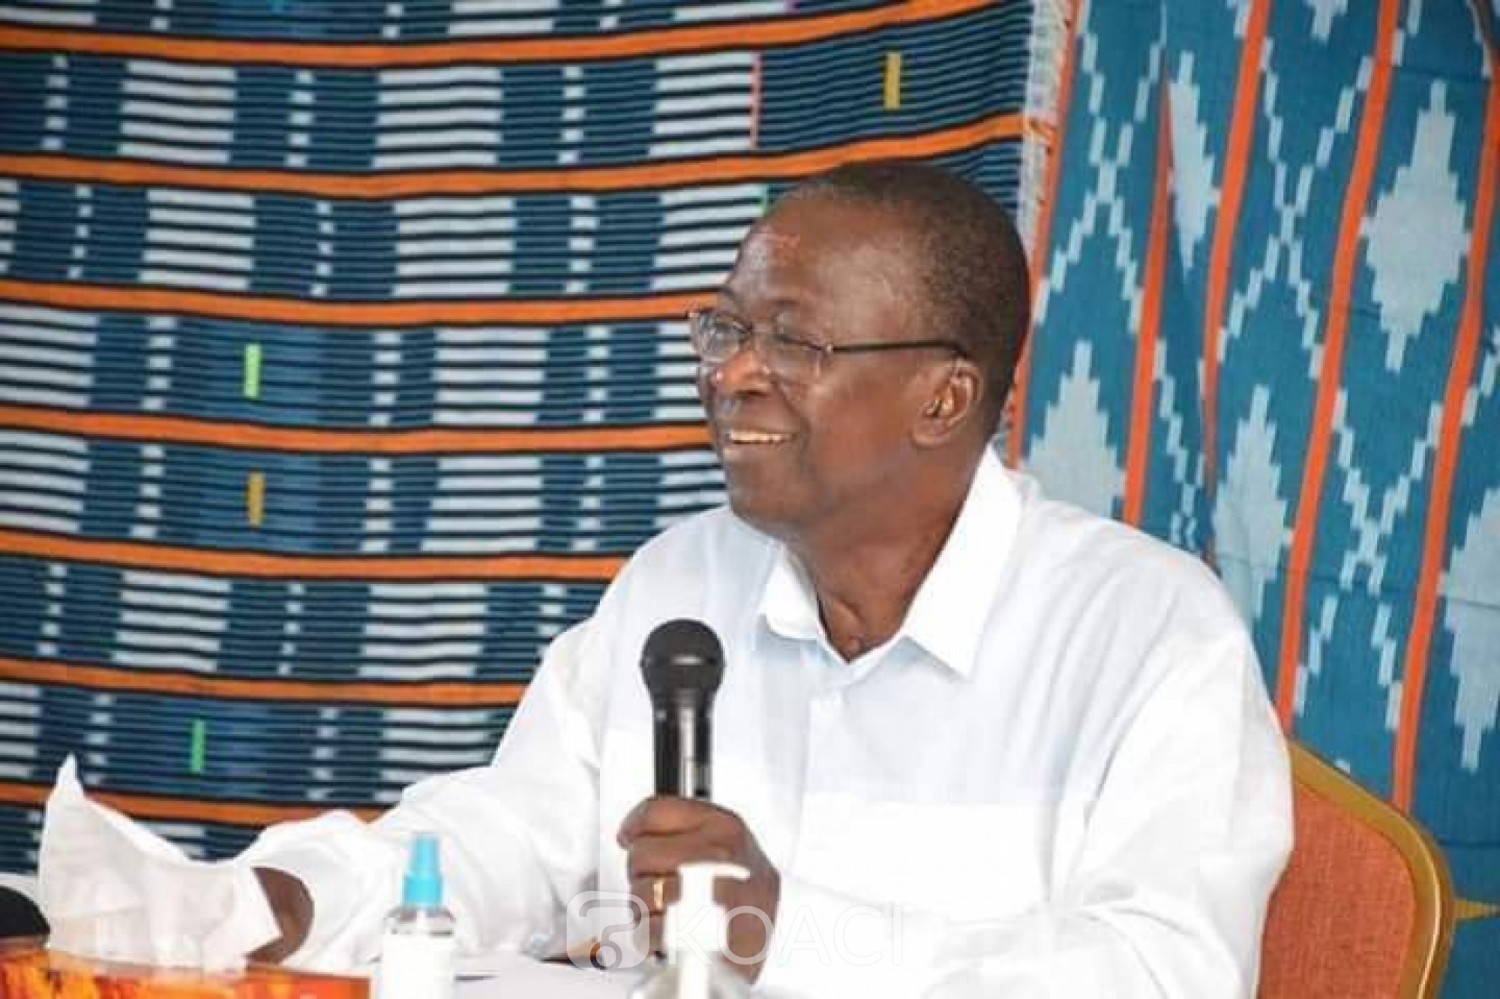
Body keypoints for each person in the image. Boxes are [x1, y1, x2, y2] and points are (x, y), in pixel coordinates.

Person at [249, 162, 1293, 996]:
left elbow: (1166, 974)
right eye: (727, 330)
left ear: (942, 399)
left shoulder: (1146, 632)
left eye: (794, 341)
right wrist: (285, 903)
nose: (732, 374)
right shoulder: (679, 583)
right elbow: (511, 835)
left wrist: (783, 928)